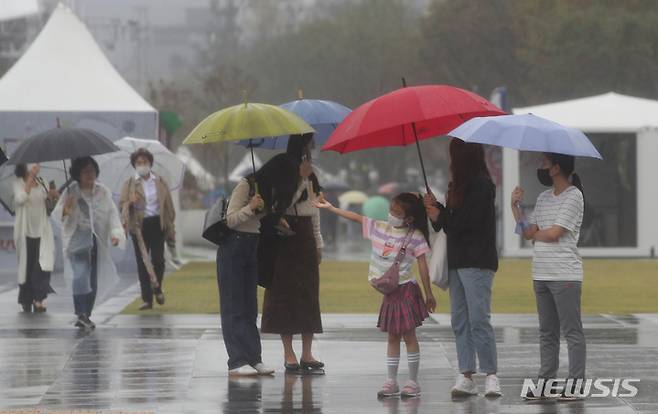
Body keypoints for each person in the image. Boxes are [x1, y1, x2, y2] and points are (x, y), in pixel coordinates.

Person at [315, 192, 436, 399]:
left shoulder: (415, 236)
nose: (391, 214)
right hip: (390, 293)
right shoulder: (380, 227)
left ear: (409, 218)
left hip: (406, 290)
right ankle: (391, 381)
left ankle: (413, 382)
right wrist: (331, 208)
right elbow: (356, 217)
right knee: (392, 336)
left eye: (397, 212)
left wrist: (429, 294)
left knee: (409, 336)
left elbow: (423, 266)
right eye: (391, 209)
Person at [424, 139, 501, 398]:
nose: (450, 161)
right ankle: (466, 374)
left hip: (477, 261)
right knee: (459, 320)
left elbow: (466, 223)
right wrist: (437, 210)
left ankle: (491, 375)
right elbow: (450, 225)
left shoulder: (481, 185)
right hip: (457, 260)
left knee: (479, 319)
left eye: (453, 155)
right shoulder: (457, 186)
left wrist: (442, 216)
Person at [511, 153, 586, 402]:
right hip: (540, 273)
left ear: (556, 168)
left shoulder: (574, 196)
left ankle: (575, 384)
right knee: (547, 333)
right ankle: (546, 383)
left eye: (544, 163)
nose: (540, 167)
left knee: (571, 331)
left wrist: (537, 233)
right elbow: (528, 232)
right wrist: (516, 209)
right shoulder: (543, 198)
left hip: (564, 273)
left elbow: (554, 234)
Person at [218, 154, 299, 377]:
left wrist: (273, 218)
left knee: (249, 306)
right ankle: (236, 360)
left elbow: (259, 220)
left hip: (252, 246)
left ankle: (254, 358)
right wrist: (251, 207)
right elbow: (230, 220)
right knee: (234, 306)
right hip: (233, 246)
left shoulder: (268, 190)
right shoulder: (246, 185)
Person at [260, 133, 324, 374]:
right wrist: (300, 179)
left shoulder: (313, 172)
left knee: (308, 293)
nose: (312, 148)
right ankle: (289, 352)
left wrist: (318, 242)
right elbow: (281, 205)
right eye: (309, 144)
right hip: (285, 233)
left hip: (306, 235)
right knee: (284, 293)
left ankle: (308, 352)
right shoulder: (282, 167)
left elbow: (314, 209)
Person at [53, 156, 125, 329]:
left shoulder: (103, 192)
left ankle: (87, 314)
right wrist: (65, 209)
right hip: (76, 240)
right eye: (85, 171)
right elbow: (58, 215)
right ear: (78, 173)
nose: (89, 174)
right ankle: (80, 313)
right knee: (80, 275)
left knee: (92, 281)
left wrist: (116, 233)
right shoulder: (71, 192)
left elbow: (112, 214)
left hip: (96, 240)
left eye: (92, 170)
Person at [119, 148, 176, 310]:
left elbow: (168, 204)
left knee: (159, 260)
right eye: (139, 163)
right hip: (139, 227)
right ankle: (147, 299)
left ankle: (156, 286)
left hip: (158, 224)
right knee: (143, 263)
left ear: (150, 163)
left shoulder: (159, 181)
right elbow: (121, 204)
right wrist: (130, 201)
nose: (142, 165)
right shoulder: (130, 184)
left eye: (144, 162)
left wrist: (171, 225)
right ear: (134, 165)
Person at [13, 164, 58, 313]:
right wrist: (30, 180)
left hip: (42, 230)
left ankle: (38, 299)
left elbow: (49, 204)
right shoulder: (18, 182)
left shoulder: (43, 181)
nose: (36, 165)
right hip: (25, 232)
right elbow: (20, 199)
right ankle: (26, 299)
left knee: (42, 266)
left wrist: (52, 195)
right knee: (27, 268)